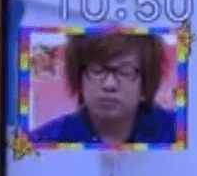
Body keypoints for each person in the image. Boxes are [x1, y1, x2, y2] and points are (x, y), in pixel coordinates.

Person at [29, 33, 176, 144]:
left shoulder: (178, 133)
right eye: (97, 70)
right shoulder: (41, 142)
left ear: (145, 84)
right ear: (80, 78)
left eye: (125, 72)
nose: (109, 84)